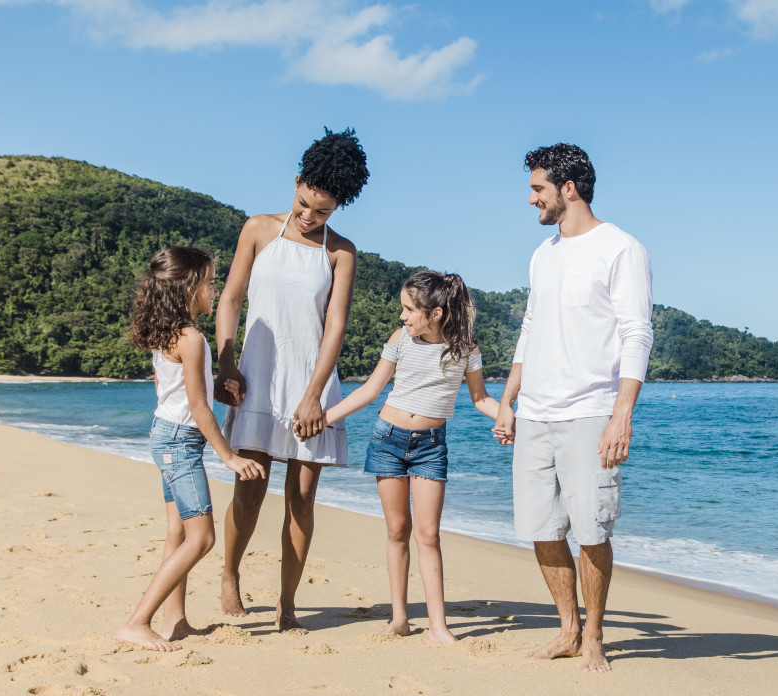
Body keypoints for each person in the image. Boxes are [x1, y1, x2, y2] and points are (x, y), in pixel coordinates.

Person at [492, 143, 653, 673]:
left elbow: (636, 333)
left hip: (590, 412)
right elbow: (530, 330)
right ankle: (567, 629)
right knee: (541, 526)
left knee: (591, 529)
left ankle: (595, 637)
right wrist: (509, 401)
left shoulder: (621, 248)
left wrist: (621, 413)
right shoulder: (544, 254)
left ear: (568, 188)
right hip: (535, 412)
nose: (531, 200)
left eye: (538, 188)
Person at [214, 128, 369, 633]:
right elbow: (231, 299)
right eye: (304, 204)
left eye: (321, 212)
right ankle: (230, 575)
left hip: (312, 387)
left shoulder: (340, 252)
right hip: (256, 377)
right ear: (297, 181)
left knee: (301, 498)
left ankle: (286, 605)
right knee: (250, 489)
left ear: (338, 207)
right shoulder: (258, 229)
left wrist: (312, 397)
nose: (309, 217)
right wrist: (225, 361)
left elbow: (335, 327)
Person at [303, 271, 500, 643]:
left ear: (436, 313)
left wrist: (514, 419)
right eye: (403, 309)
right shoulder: (400, 341)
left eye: (410, 310)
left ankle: (439, 627)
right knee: (397, 531)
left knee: (428, 534)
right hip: (387, 440)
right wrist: (323, 419)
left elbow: (481, 399)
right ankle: (399, 618)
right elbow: (371, 389)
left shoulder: (465, 349)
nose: (403, 316)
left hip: (430, 448)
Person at [117, 247, 266, 651]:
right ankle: (137, 621)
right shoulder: (192, 338)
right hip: (180, 442)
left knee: (177, 533)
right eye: (211, 282)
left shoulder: (168, 332)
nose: (215, 290)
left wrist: (217, 388)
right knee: (201, 539)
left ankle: (175, 620)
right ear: (189, 287)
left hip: (163, 434)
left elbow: (168, 388)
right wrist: (230, 457)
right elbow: (198, 409)